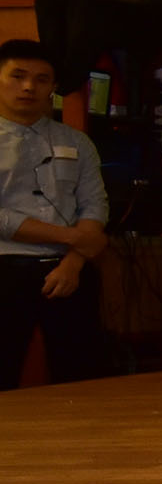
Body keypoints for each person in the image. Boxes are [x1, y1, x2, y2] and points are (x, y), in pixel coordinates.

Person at [0, 39, 107, 389]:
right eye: (18, 76)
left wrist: (74, 261)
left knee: (82, 379)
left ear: (53, 87)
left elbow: (94, 203)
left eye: (41, 79)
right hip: (5, 269)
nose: (29, 86)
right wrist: (72, 237)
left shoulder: (77, 142)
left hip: (69, 270)